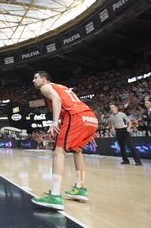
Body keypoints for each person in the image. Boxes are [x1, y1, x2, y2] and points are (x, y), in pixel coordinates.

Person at [30, 71, 98, 211]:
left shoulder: (46, 87)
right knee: (78, 152)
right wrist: (85, 129)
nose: (33, 80)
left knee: (58, 152)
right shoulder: (64, 88)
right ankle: (80, 188)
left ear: (44, 79)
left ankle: (54, 195)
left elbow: (57, 100)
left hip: (76, 117)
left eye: (36, 78)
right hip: (89, 117)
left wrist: (54, 121)